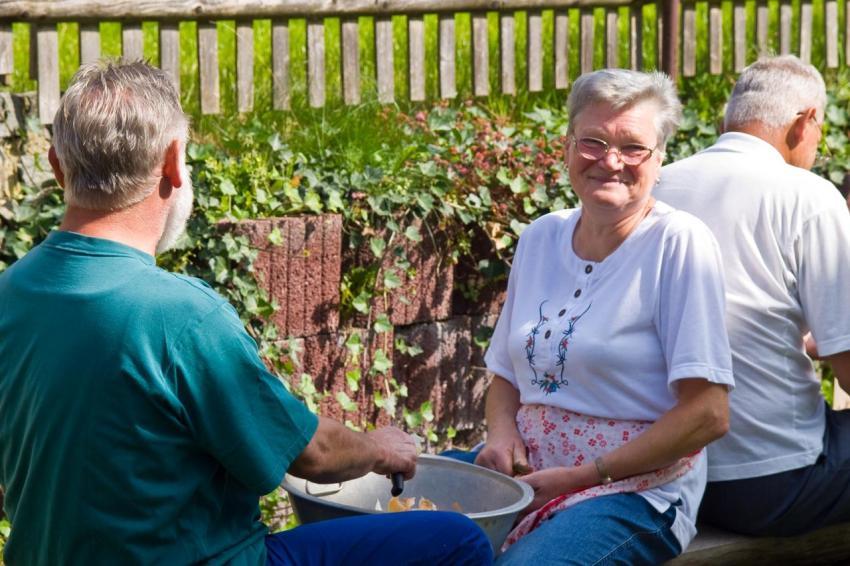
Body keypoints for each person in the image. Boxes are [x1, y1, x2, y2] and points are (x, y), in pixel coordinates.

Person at [0, 60, 493, 565]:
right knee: (460, 540)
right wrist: (379, 448)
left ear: (57, 165)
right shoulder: (182, 316)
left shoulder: (9, 293)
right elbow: (313, 454)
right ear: (172, 162)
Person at [470, 68, 733, 564]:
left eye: (633, 148)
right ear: (567, 148)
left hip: (634, 490)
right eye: (593, 141)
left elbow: (708, 414)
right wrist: (501, 435)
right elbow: (505, 374)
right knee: (407, 530)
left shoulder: (678, 243)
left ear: (659, 160)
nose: (610, 161)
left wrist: (583, 476)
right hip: (531, 473)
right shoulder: (541, 237)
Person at [655, 55, 850, 537]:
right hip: (771, 482)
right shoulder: (809, 196)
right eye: (820, 134)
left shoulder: (655, 184)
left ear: (728, 120)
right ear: (805, 122)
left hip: (665, 474)